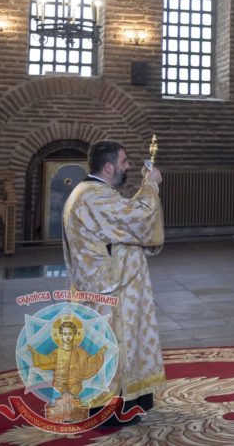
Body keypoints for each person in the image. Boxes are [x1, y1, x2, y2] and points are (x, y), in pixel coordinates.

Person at [62, 140, 164, 422]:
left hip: (101, 288)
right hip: (107, 290)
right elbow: (138, 219)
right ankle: (107, 414)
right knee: (109, 349)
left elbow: (121, 223)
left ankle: (121, 406)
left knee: (110, 348)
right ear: (108, 167)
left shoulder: (92, 193)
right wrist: (151, 185)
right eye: (124, 161)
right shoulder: (93, 196)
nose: (128, 166)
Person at [28, 318, 106, 399]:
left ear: (74, 335)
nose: (67, 337)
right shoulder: (57, 352)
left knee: (75, 401)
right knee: (59, 401)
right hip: (59, 384)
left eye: (70, 334)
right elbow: (47, 360)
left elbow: (88, 362)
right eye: (65, 334)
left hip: (75, 384)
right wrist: (35, 353)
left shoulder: (80, 352)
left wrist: (100, 354)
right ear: (61, 335)